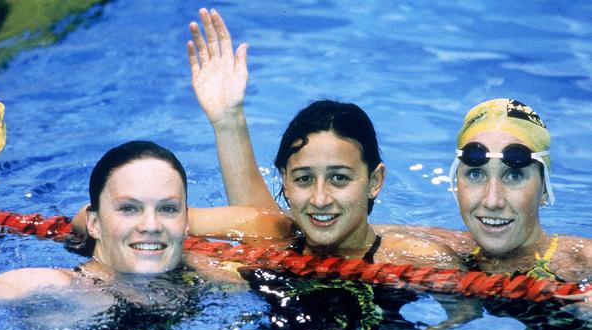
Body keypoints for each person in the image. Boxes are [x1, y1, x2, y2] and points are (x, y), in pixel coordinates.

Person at [186, 8, 468, 269]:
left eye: (339, 178)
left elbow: (462, 316)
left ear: (374, 182)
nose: (320, 199)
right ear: (285, 180)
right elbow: (159, 217)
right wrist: (227, 120)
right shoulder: (278, 239)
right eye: (304, 179)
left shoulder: (413, 258)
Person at [0, 88, 264, 310]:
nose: (151, 225)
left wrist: (229, 118)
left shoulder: (216, 282)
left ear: (186, 222)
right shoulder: (56, 289)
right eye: (128, 208)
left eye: (167, 209)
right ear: (94, 223)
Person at [448, 98, 592, 283]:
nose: (492, 201)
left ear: (544, 190)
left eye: (514, 176)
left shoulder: (582, 263)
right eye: (476, 175)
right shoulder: (432, 252)